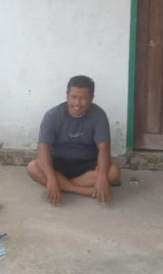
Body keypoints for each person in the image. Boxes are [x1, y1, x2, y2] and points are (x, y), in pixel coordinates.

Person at [26, 75, 121, 205]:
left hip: (87, 165)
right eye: (73, 97)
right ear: (67, 96)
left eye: (83, 98)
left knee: (113, 172)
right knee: (32, 167)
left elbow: (104, 148)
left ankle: (62, 186)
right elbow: (43, 148)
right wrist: (51, 178)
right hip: (58, 164)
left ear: (91, 98)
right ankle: (83, 190)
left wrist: (102, 176)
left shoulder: (98, 115)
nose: (77, 103)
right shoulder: (53, 115)